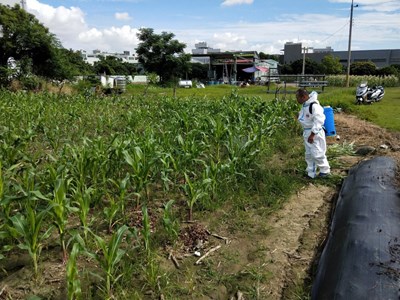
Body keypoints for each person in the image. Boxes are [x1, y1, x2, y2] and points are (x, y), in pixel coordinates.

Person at [296, 88, 330, 178]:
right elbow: (306, 116)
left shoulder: (314, 106)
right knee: (309, 154)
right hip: (307, 132)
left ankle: (325, 171)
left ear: (303, 97)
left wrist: (312, 134)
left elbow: (319, 120)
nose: (297, 100)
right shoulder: (305, 105)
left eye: (297, 97)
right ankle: (311, 173)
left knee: (317, 152)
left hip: (314, 132)